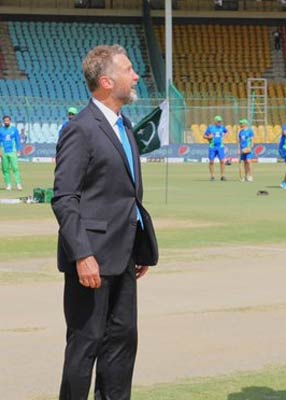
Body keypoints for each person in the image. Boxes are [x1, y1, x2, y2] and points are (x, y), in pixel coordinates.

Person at [51, 44, 158, 400]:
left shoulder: (124, 125)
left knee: (122, 345)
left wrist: (138, 244)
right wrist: (82, 254)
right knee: (85, 346)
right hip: (91, 261)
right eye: (129, 69)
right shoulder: (80, 129)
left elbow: (124, 194)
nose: (136, 76)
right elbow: (65, 198)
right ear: (107, 81)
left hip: (124, 257)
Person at [0, 115, 23, 191]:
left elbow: (17, 140)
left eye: (7, 120)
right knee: (5, 169)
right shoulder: (1, 130)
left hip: (12, 151)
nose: (6, 122)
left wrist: (19, 150)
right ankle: (8, 185)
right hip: (4, 151)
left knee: (15, 168)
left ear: (10, 121)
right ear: (3, 122)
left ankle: (18, 184)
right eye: (5, 121)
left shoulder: (14, 130)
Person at [204, 115, 229, 181]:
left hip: (220, 147)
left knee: (222, 161)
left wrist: (224, 136)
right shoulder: (210, 128)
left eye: (220, 121)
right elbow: (204, 136)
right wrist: (208, 137)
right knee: (211, 161)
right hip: (212, 147)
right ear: (215, 121)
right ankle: (212, 176)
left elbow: (227, 132)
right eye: (218, 121)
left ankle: (222, 176)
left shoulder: (222, 128)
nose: (219, 123)